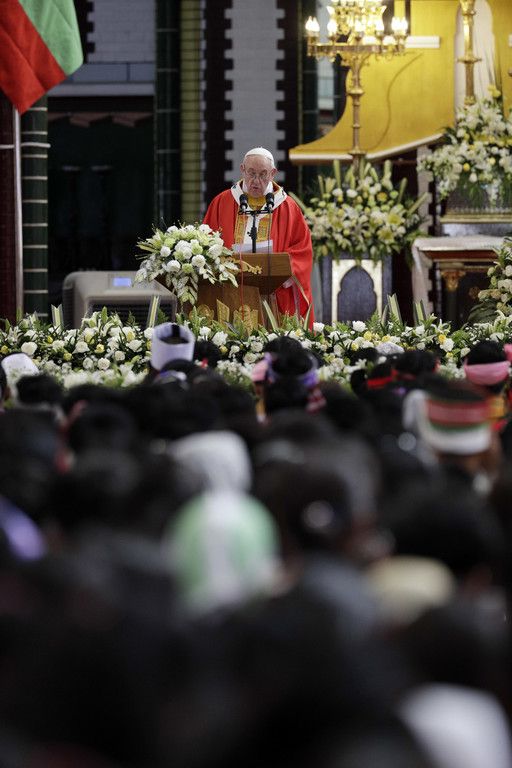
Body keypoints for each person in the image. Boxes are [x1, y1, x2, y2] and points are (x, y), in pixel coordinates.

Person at [203, 146, 314, 321]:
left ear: (273, 173)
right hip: (229, 292)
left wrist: (280, 270)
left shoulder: (288, 207)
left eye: (263, 175)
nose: (256, 181)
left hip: (274, 296)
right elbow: (206, 243)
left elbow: (302, 251)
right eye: (251, 173)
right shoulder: (222, 202)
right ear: (242, 170)